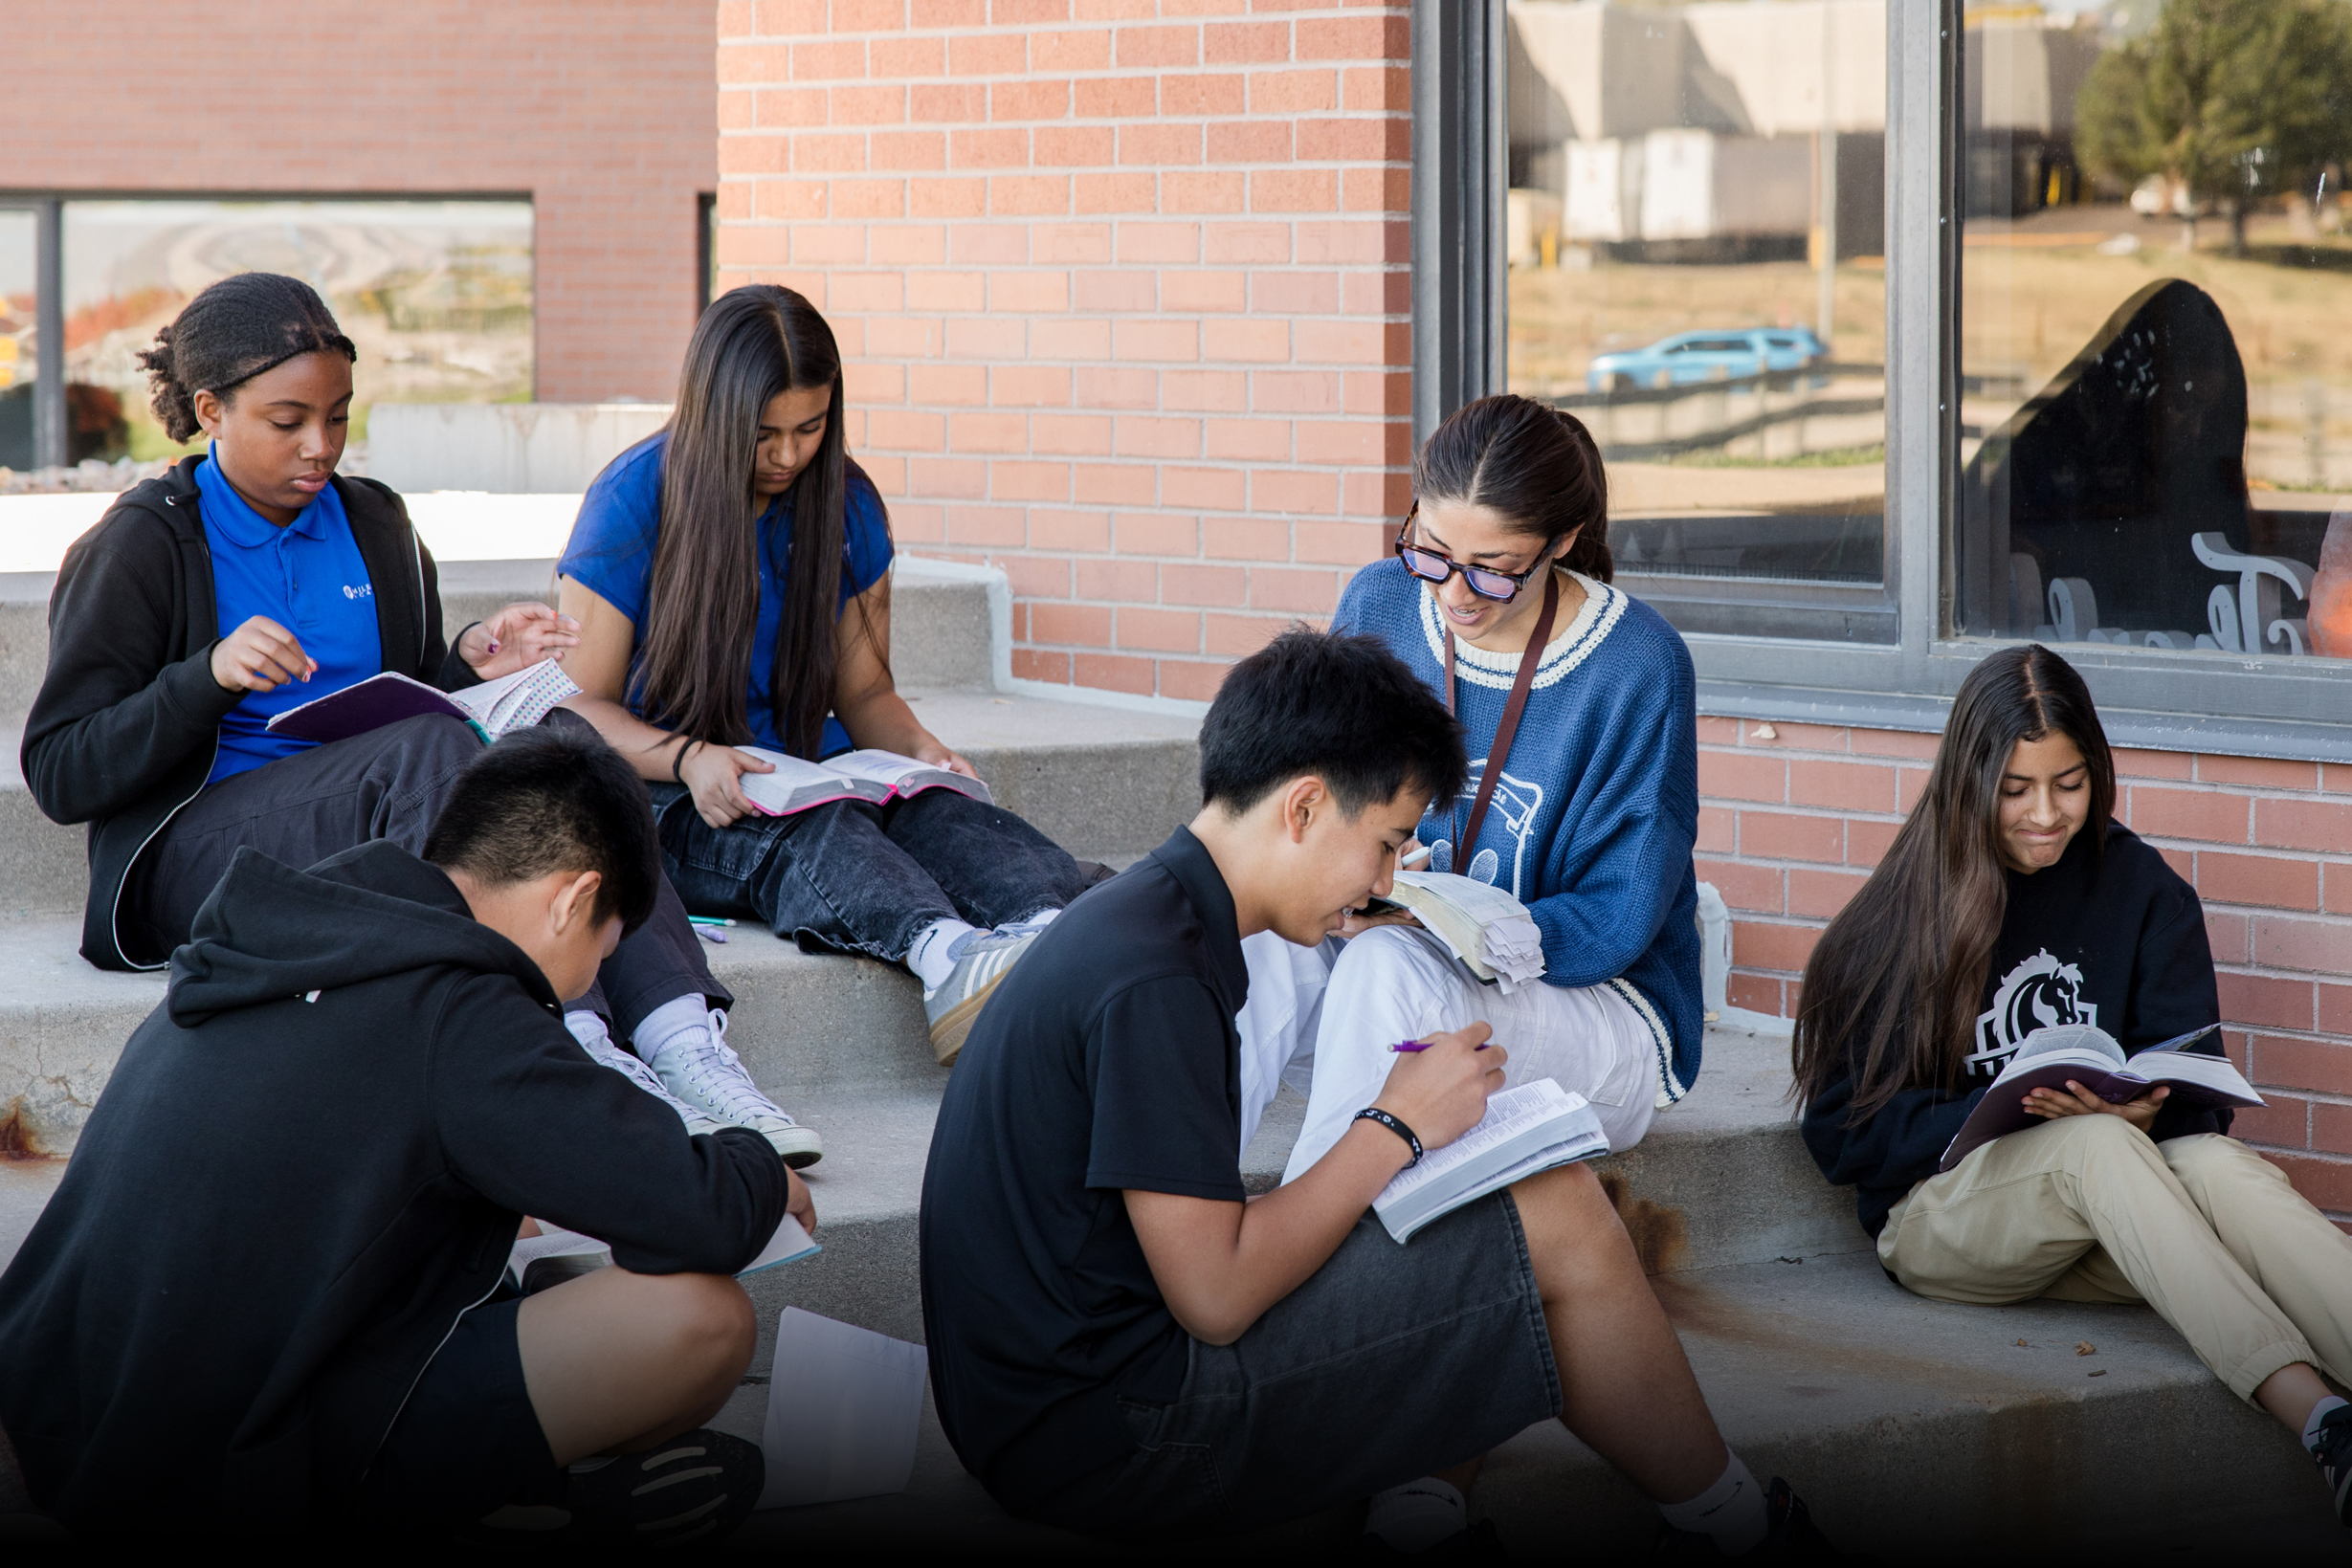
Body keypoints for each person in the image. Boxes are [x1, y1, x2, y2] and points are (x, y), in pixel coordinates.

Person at [919, 629, 1832, 1556]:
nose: (1387, 882)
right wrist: (1394, 1123)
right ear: (1306, 806)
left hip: (1061, 1409)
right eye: (1388, 844)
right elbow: (1217, 1295)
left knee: (1490, 1208)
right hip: (1114, 1435)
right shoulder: (1156, 975)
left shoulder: (1148, 920)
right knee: (1557, 1212)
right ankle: (1745, 1530)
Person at [17, 273, 818, 1165]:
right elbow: (60, 768)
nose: (321, 446)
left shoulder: (375, 521)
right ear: (211, 410)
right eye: (288, 422)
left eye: (339, 417)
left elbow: (413, 694)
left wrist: (472, 660)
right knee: (432, 753)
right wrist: (204, 678)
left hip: (370, 816)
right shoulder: (142, 543)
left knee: (569, 745)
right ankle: (572, 1039)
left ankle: (683, 1039)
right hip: (203, 856)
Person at [0, 726, 807, 1542]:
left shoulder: (292, 934)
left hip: (59, 1407)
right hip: (218, 1469)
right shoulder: (465, 1012)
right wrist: (765, 1171)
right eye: (607, 945)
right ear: (571, 899)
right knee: (704, 1321)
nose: (591, 979)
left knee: (511, 1230)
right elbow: (696, 1211)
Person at [1794, 644, 2352, 1529]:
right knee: (2090, 1142)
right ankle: (2323, 1422)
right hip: (1943, 1218)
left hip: (2110, 1214)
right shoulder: (1904, 911)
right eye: (2016, 789)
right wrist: (2000, 1118)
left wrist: (2148, 1110)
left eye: (2069, 784)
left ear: (2097, 772)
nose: (2046, 814)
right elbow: (1838, 1131)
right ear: (1970, 781)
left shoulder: (2144, 891)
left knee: (2214, 1166)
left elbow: (2199, 1097)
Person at [556, 284, 1097, 1064]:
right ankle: (947, 958)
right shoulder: (633, 496)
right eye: (764, 435)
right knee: (820, 828)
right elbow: (576, 709)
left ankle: (1055, 935)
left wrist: (925, 753)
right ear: (715, 414)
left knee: (938, 808)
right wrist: (689, 756)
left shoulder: (845, 500)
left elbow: (866, 691)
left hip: (805, 771)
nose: (787, 455)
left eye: (809, 428)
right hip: (673, 794)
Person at [1276, 394, 1700, 1181]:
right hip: (1400, 962)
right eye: (1433, 552)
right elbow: (1311, 803)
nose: (1454, 592)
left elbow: (1619, 914)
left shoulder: (1640, 663)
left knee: (1386, 966)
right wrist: (1351, 883)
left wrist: (1442, 927)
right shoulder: (1379, 600)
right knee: (1259, 940)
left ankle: (1311, 1226)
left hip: (1597, 1008)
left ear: (1561, 542)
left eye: (1494, 570)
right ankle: (1171, 1204)